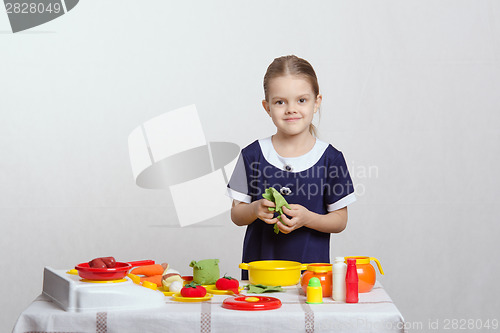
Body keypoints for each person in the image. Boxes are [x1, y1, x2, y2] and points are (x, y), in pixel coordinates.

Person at [226, 55, 356, 279]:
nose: (291, 109)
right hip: (260, 277)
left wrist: (308, 218)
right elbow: (237, 215)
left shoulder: (331, 159)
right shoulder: (251, 155)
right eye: (280, 102)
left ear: (317, 102)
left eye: (301, 100)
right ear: (267, 107)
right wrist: (255, 209)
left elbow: (340, 220)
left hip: (311, 279)